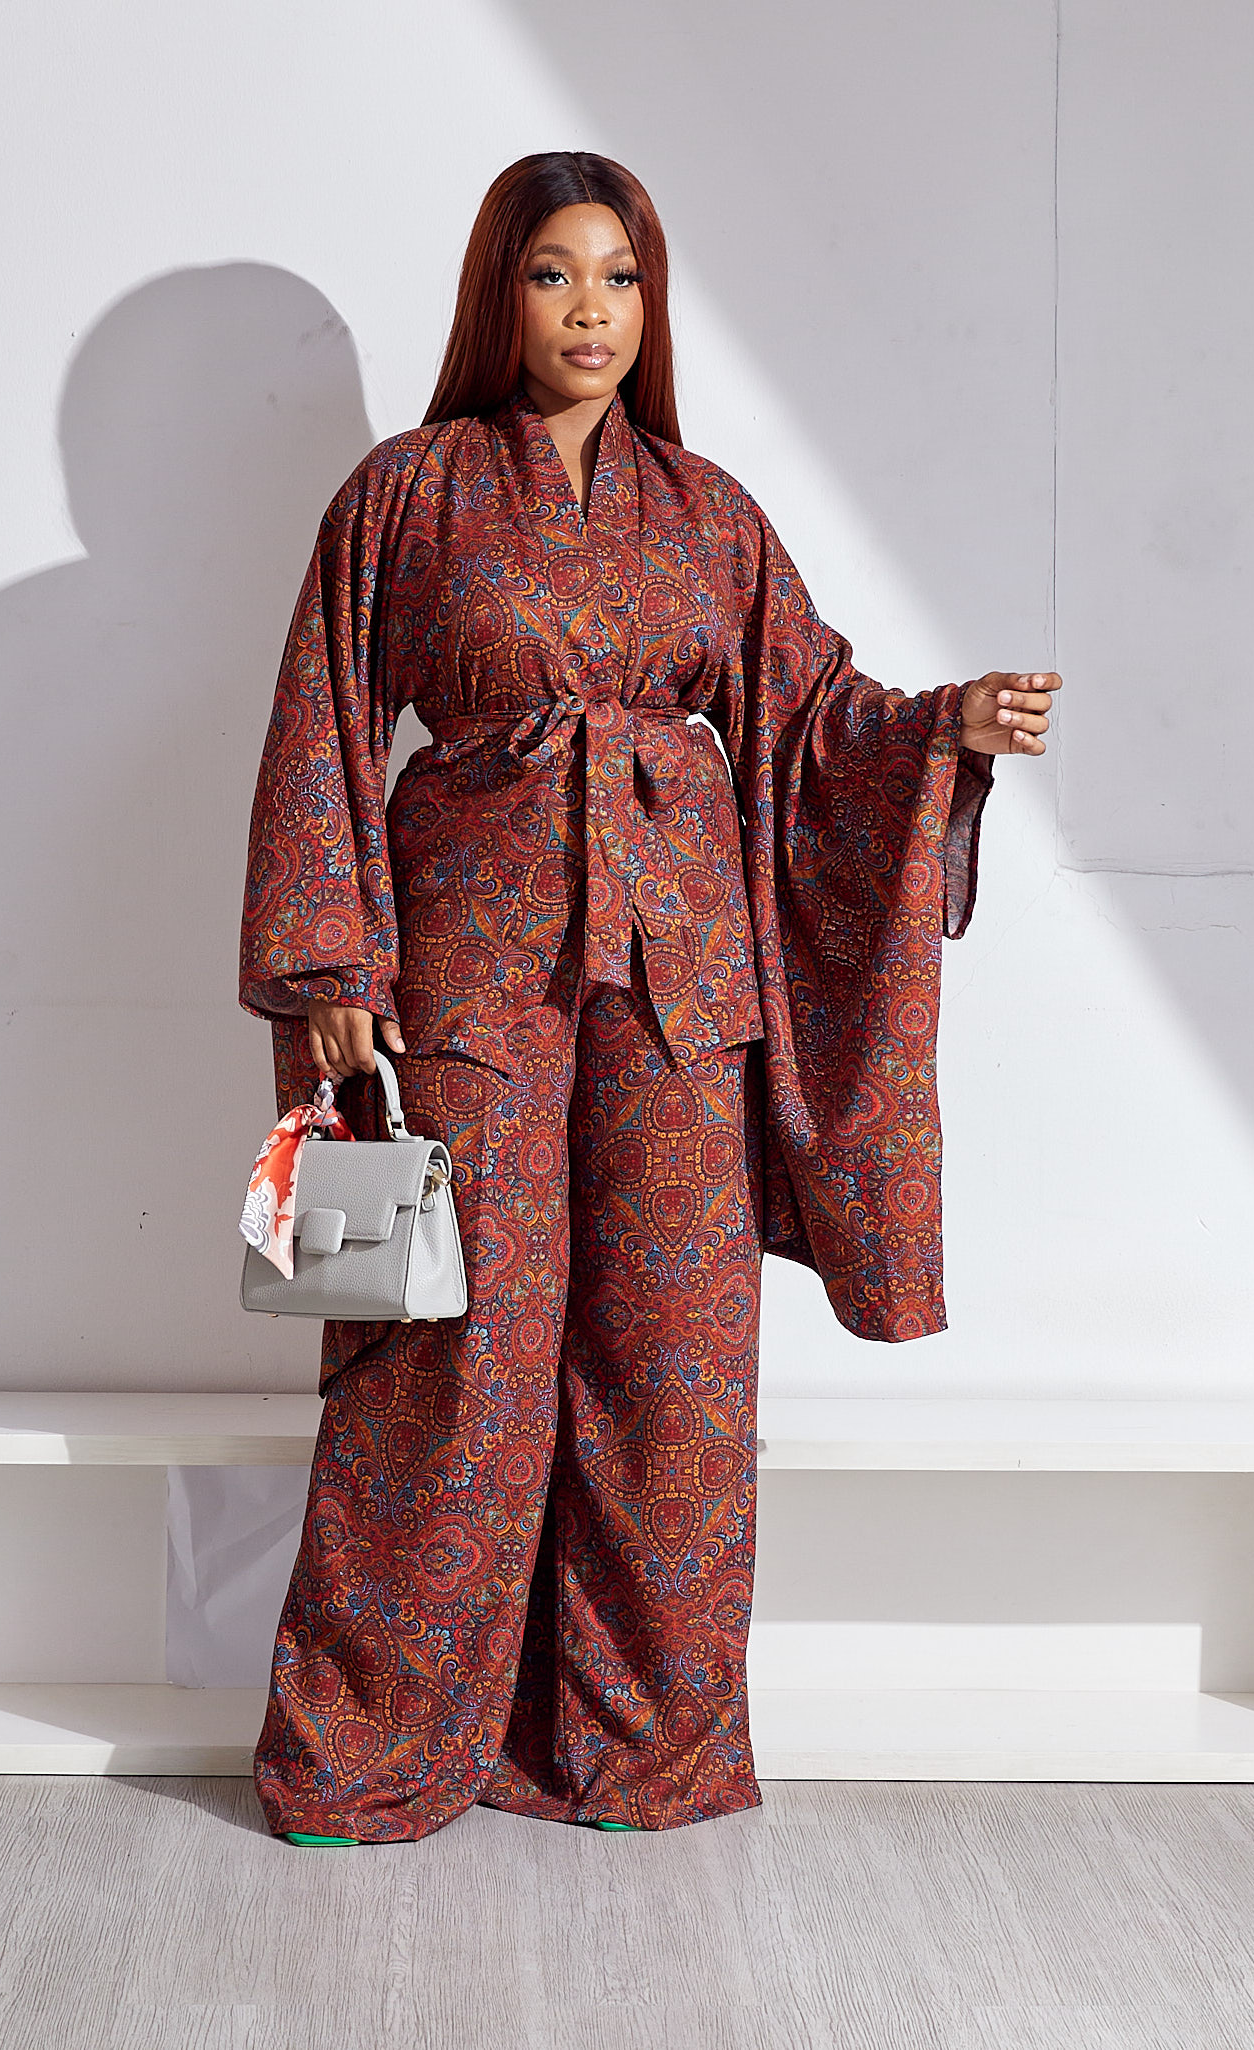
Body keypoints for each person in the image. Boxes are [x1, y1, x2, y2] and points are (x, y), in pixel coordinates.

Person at [239, 151, 1060, 1846]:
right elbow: (323, 715)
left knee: (675, 1365)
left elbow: (813, 717)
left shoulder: (709, 512)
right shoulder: (406, 494)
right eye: (555, 274)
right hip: (471, 980)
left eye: (620, 278)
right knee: (450, 1355)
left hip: (686, 988)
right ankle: (371, 1746)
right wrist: (333, 964)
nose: (591, 311)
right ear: (500, 293)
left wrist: (942, 728)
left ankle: (642, 1747)